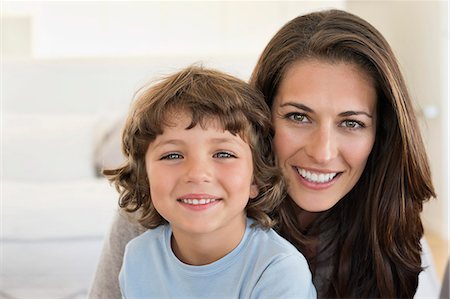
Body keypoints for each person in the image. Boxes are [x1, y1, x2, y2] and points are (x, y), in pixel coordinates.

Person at [89, 9, 435, 298]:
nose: (323, 152)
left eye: (352, 123)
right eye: (298, 117)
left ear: (380, 133)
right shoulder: (165, 211)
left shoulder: (389, 230)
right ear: (260, 120)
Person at [105, 65, 316, 298]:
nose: (197, 173)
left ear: (256, 178)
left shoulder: (278, 269)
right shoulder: (138, 256)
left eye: (223, 154)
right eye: (172, 155)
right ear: (145, 178)